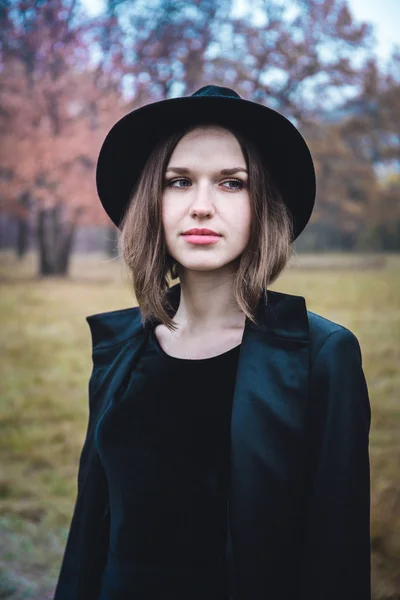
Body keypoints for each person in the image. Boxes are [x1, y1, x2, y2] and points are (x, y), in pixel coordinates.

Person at [53, 85, 371, 600]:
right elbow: (88, 536)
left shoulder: (321, 356)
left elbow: (337, 558)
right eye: (179, 182)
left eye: (231, 184)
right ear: (152, 203)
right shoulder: (120, 349)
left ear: (263, 204)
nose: (201, 207)